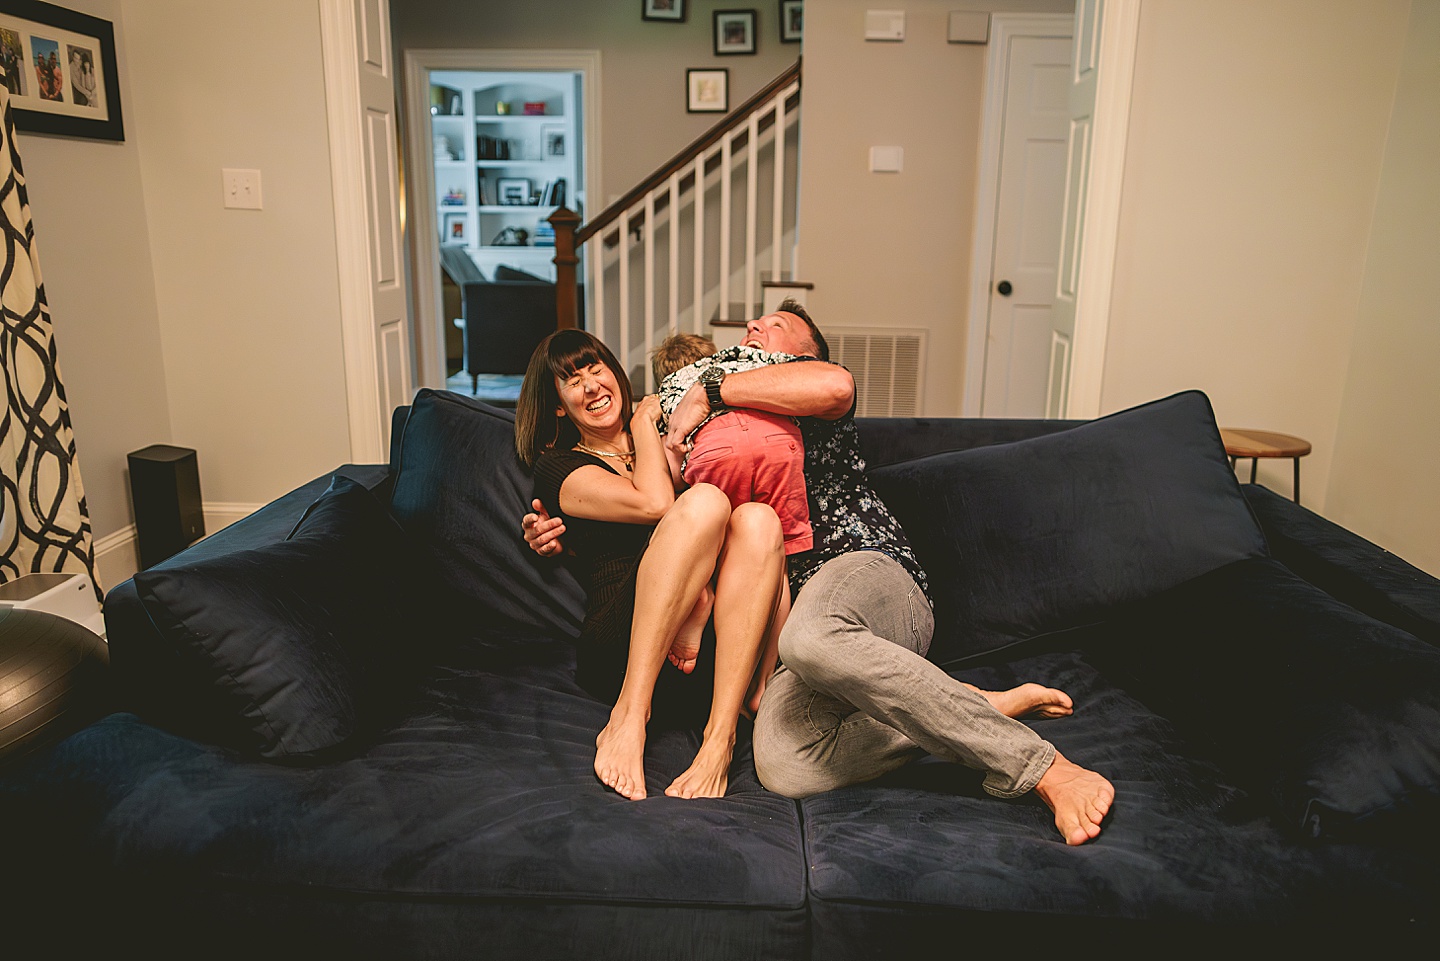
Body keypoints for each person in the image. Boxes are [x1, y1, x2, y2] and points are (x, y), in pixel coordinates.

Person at [526, 301, 1115, 845]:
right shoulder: (695, 428)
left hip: (859, 571)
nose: (753, 329)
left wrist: (710, 385)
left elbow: (835, 386)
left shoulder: (795, 393)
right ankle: (968, 707)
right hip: (779, 620)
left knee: (803, 624)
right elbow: (674, 518)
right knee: (783, 761)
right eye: (749, 328)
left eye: (773, 325)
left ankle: (1041, 767)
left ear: (802, 354)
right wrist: (564, 535)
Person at [515, 328, 787, 803]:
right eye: (572, 380)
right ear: (558, 404)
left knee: (760, 520)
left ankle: (719, 741)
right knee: (701, 502)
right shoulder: (558, 468)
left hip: (705, 662)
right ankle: (628, 717)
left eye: (596, 368)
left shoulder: (677, 433)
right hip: (623, 646)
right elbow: (655, 504)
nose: (592, 385)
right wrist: (644, 421)